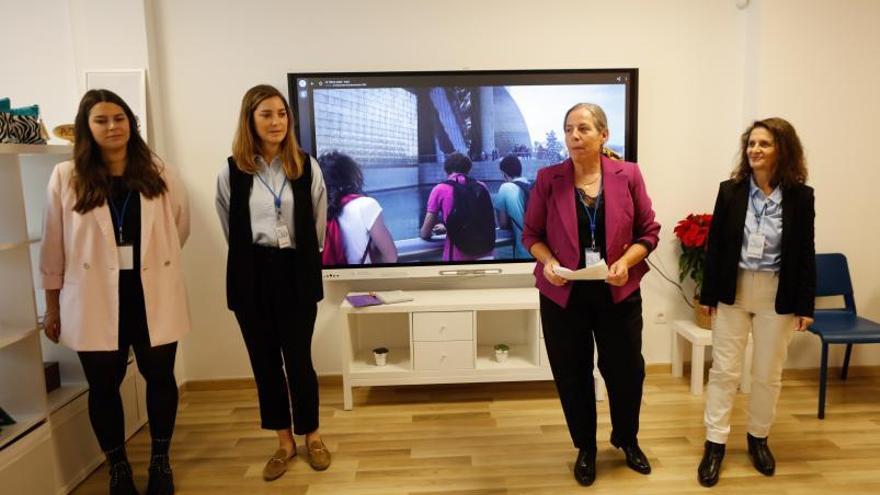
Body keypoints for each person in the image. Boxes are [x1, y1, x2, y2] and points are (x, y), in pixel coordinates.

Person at [40, 89, 190, 495]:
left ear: (131, 123)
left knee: (160, 377)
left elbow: (179, 228)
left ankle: (160, 460)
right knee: (104, 386)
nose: (112, 127)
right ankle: (118, 467)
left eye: (119, 118)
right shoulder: (66, 177)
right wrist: (52, 307)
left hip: (150, 292)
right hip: (92, 297)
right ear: (87, 127)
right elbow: (53, 245)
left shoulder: (159, 171)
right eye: (102, 120)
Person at [522, 103, 660, 487]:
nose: (574, 136)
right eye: (568, 129)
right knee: (572, 373)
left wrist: (625, 263)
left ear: (603, 135)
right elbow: (531, 235)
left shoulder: (627, 174)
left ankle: (626, 439)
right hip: (564, 293)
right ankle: (586, 447)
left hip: (617, 290)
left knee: (626, 371)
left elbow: (649, 233)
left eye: (583, 128)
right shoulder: (549, 178)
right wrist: (548, 262)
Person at [215, 84, 330, 481]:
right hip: (251, 276)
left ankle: (312, 435)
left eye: (282, 113)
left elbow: (317, 224)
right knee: (265, 365)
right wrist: (259, 256)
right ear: (250, 119)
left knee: (299, 362)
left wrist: (292, 256)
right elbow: (229, 223)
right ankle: (284, 442)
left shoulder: (306, 166)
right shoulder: (232, 170)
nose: (277, 121)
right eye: (266, 114)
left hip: (296, 272)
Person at [697, 117, 815, 487]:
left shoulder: (801, 196)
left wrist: (805, 305)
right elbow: (715, 245)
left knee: (767, 374)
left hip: (777, 293)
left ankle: (758, 439)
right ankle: (715, 444)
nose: (755, 150)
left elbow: (806, 252)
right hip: (734, 291)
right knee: (724, 371)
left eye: (764, 144)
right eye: (751, 144)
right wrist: (709, 294)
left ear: (783, 149)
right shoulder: (730, 191)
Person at [318, 150, 397, 264]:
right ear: (351, 175)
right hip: (361, 279)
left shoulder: (319, 209)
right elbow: (391, 257)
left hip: (329, 279)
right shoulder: (365, 205)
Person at [419, 152, 495, 260]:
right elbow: (476, 218)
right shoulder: (481, 186)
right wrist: (447, 226)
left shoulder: (440, 189)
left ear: (446, 170)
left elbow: (425, 232)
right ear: (468, 169)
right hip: (486, 254)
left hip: (457, 258)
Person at [493, 154, 532, 259]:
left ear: (504, 173)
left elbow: (503, 224)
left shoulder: (506, 188)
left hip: (524, 253)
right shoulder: (531, 186)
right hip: (542, 252)